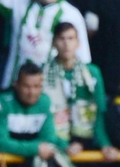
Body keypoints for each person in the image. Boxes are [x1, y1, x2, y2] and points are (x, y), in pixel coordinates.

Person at [0, 0, 88, 90]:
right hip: (13, 85)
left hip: (51, 91)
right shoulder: (19, 1)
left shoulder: (70, 14)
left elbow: (82, 57)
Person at [43, 22, 108, 156]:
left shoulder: (92, 72)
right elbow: (43, 113)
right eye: (62, 39)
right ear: (53, 43)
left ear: (78, 43)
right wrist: (63, 145)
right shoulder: (43, 73)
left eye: (71, 38)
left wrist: (104, 144)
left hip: (86, 140)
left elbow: (100, 109)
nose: (66, 44)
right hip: (54, 142)